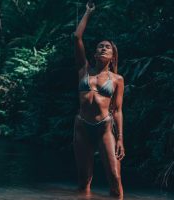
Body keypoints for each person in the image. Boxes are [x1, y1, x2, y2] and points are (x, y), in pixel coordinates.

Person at [73, 1, 125, 199]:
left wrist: (120, 138)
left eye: (107, 47)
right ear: (94, 53)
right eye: (100, 47)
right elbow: (77, 36)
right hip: (82, 128)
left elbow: (118, 110)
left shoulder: (117, 80)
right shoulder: (83, 70)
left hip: (104, 128)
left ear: (112, 56)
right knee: (83, 181)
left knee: (115, 177)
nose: (103, 48)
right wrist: (88, 12)